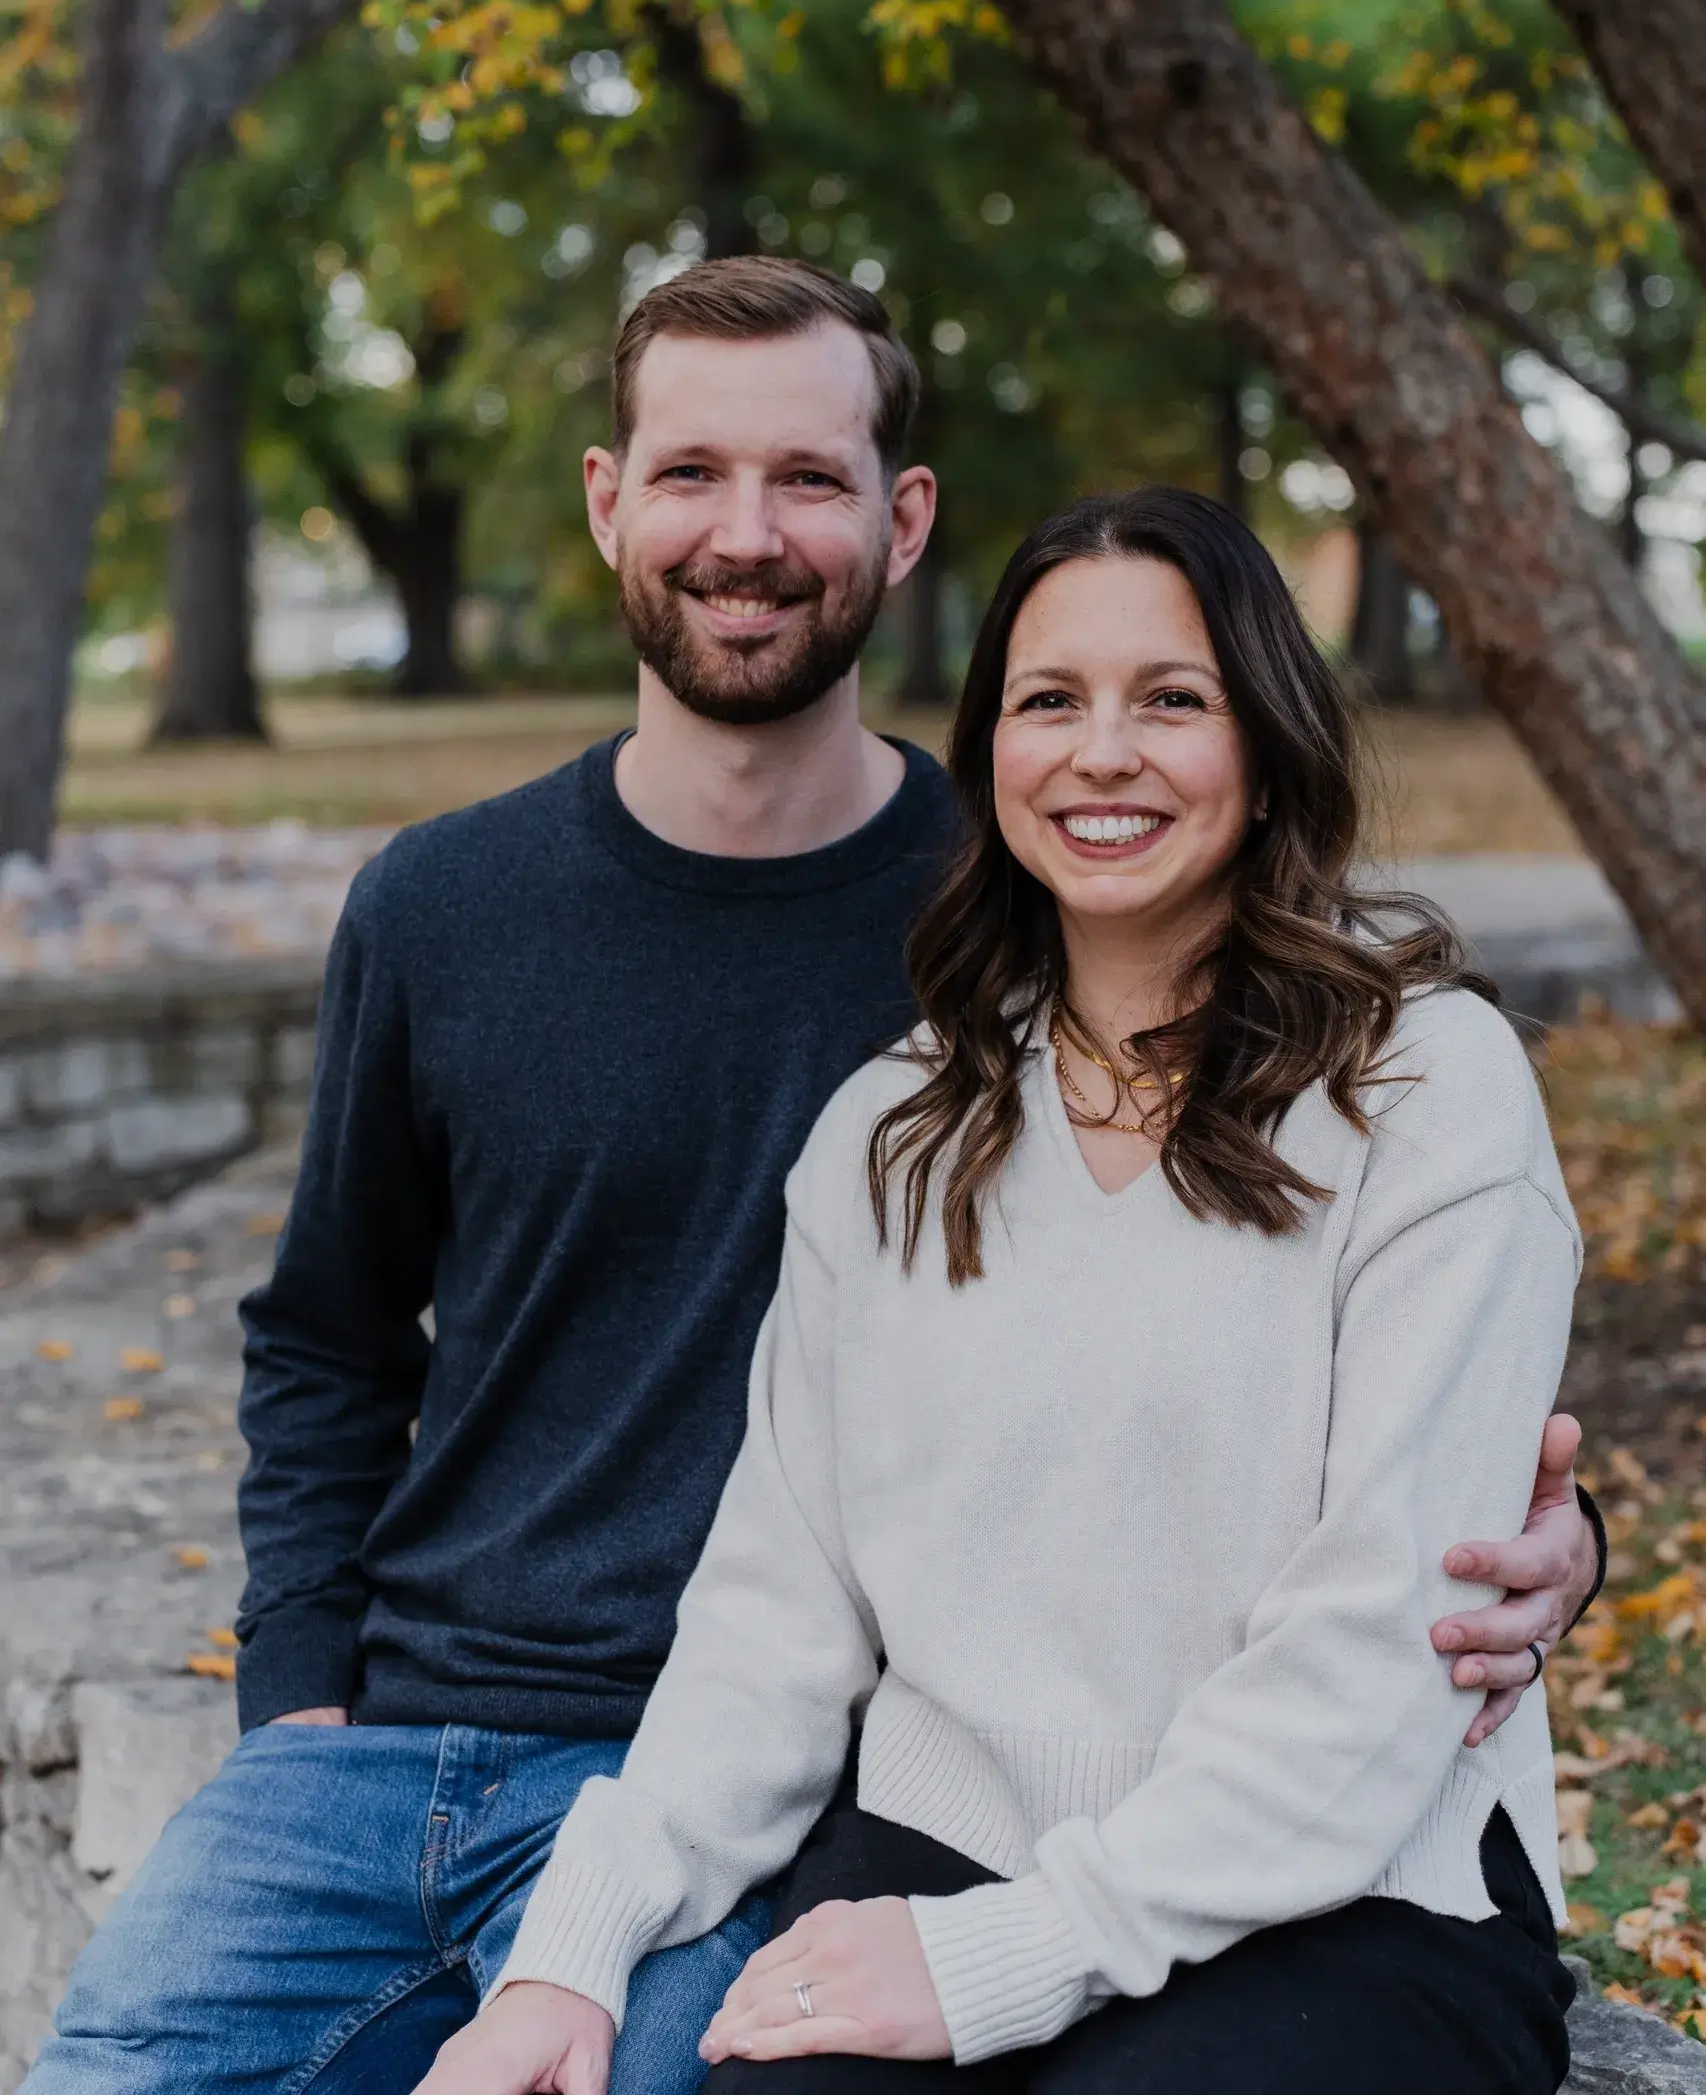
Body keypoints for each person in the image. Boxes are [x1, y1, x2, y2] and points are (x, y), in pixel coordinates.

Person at [23, 267, 1598, 2095]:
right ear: (611, 498)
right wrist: (309, 1700)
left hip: (928, 1813)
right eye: (693, 472)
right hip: (457, 1749)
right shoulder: (560, 957)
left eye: (810, 479)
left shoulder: (1066, 927)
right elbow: (337, 1341)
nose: (746, 537)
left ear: (900, 520)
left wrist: (1535, 1543)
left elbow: (1357, 1459)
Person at [425, 486, 1585, 2095]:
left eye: (1170, 700)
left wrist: (1010, 1960)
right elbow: (773, 1618)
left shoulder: (1427, 1092)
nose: (1100, 752)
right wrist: (565, 1962)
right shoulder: (888, 1137)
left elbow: (1382, 1654)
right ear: (990, 758)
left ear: (1264, 747)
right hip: (941, 1845)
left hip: (1349, 1894)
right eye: (1049, 702)